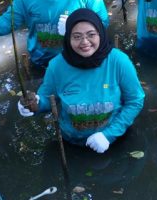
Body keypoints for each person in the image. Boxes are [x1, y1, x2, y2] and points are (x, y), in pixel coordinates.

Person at [17, 8, 144, 153]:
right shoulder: (56, 66)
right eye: (76, 36)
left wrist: (108, 135)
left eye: (91, 35)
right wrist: (33, 104)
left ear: (100, 34)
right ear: (68, 38)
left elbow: (135, 101)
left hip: (115, 140)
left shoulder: (118, 61)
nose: (84, 42)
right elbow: (47, 99)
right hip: (72, 142)